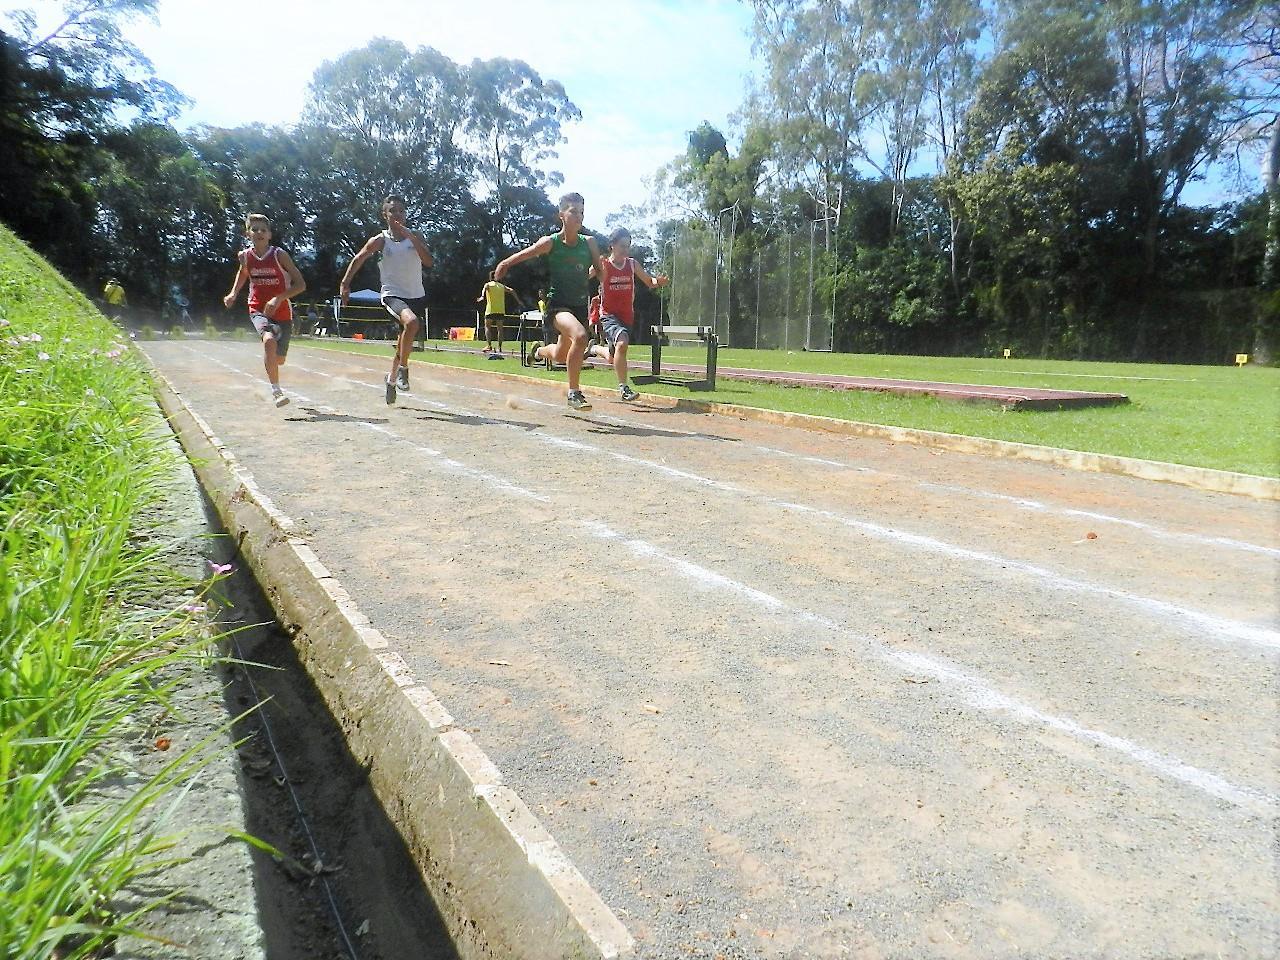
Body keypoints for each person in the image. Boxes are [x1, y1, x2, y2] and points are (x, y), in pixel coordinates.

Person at [495, 192, 603, 411]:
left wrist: (600, 277)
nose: (579, 216)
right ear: (561, 215)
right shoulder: (550, 242)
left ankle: (538, 352)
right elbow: (528, 253)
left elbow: (599, 272)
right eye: (573, 211)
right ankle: (574, 393)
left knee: (561, 355)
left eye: (581, 212)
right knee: (581, 337)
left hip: (579, 306)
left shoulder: (590, 243)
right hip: (558, 306)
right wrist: (505, 263)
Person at [339, 195, 433, 404]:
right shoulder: (381, 240)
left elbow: (428, 261)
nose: (397, 214)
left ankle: (391, 380)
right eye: (393, 211)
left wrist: (413, 238)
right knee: (412, 322)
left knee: (404, 341)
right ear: (385, 215)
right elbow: (359, 258)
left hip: (416, 295)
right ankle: (404, 370)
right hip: (392, 294)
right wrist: (345, 284)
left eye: (401, 210)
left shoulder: (415, 236)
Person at [222, 213, 306, 407]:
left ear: (269, 235)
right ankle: (277, 392)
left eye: (263, 230)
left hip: (282, 311)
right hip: (258, 307)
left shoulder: (279, 255)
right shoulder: (244, 256)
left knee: (280, 360)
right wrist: (233, 293)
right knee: (268, 341)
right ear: (247, 234)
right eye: (255, 229)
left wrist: (279, 298)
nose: (259, 232)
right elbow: (243, 273)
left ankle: (274, 351)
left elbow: (301, 284)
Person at [595, 227, 668, 400]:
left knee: (614, 356)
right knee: (622, 343)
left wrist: (659, 282)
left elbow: (649, 282)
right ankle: (624, 388)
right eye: (622, 246)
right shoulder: (604, 264)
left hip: (627, 316)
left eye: (628, 246)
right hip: (609, 315)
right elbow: (583, 276)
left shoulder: (632, 264)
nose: (625, 250)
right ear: (612, 246)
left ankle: (594, 348)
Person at [475, 270, 522, 356]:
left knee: (487, 327)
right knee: (500, 329)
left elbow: (484, 289)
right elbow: (512, 290)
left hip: (490, 310)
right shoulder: (501, 286)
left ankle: (489, 345)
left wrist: (482, 296)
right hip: (500, 310)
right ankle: (500, 347)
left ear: (490, 277)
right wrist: (518, 301)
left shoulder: (488, 284)